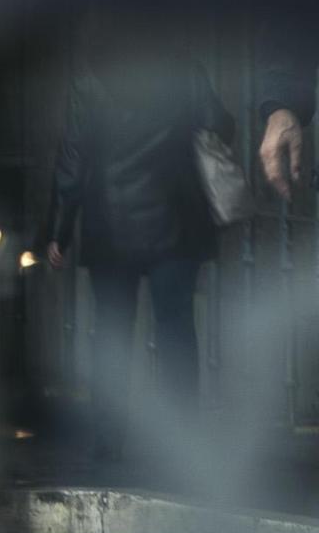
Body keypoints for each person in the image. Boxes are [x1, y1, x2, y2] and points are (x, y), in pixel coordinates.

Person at [49, 29, 225, 427]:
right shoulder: (185, 68)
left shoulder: (88, 80)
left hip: (109, 224)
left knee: (111, 332)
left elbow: (72, 164)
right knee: (176, 328)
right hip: (177, 221)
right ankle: (181, 445)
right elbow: (219, 125)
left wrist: (57, 233)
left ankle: (107, 443)